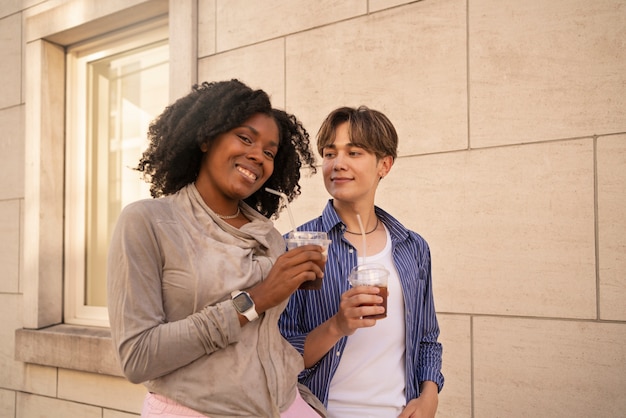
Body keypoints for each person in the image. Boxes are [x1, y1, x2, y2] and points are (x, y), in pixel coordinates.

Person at [107, 79, 328, 418]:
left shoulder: (270, 237)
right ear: (207, 137)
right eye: (245, 138)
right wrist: (256, 299)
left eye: (270, 152)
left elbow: (267, 339)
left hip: (285, 404)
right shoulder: (148, 222)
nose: (258, 155)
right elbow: (138, 358)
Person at [279, 106, 444, 418]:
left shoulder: (413, 247)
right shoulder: (296, 246)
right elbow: (280, 354)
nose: (338, 164)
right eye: (330, 153)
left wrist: (429, 396)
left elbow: (427, 339)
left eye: (353, 152)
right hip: (319, 411)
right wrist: (338, 325)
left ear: (385, 164)